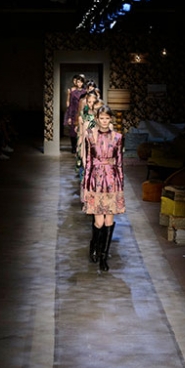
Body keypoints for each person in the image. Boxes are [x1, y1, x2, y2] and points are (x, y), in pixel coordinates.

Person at [82, 105, 125, 271]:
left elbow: (119, 162)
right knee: (99, 222)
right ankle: (94, 245)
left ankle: (103, 257)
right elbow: (88, 162)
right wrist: (86, 185)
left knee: (109, 221)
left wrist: (121, 184)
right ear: (97, 119)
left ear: (111, 119)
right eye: (102, 118)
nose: (105, 121)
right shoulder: (90, 136)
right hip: (96, 181)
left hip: (112, 181)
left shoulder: (118, 137)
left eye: (107, 118)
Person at [64, 74, 85, 154]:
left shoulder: (85, 92)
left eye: (81, 82)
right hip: (74, 114)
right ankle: (73, 147)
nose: (79, 84)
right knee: (73, 132)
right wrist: (69, 116)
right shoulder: (73, 93)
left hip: (82, 113)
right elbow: (71, 105)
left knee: (82, 131)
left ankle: (80, 147)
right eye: (78, 82)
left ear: (83, 83)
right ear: (76, 83)